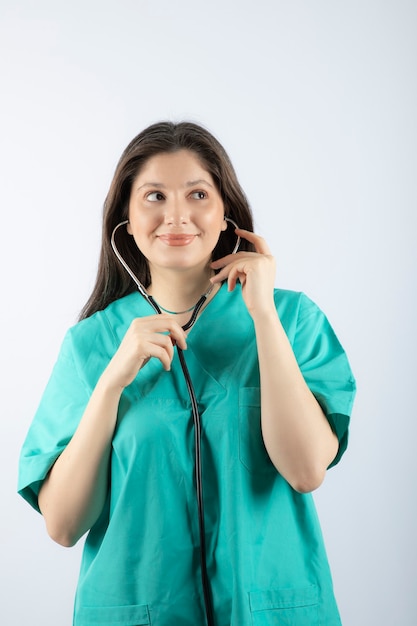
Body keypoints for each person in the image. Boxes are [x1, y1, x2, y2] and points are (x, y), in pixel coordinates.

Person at [18, 121, 356, 626]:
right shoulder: (91, 346)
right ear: (126, 222)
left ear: (226, 216)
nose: (176, 215)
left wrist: (263, 317)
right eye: (154, 196)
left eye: (198, 193)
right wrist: (111, 385)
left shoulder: (292, 321)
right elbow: (64, 526)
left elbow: (307, 471)